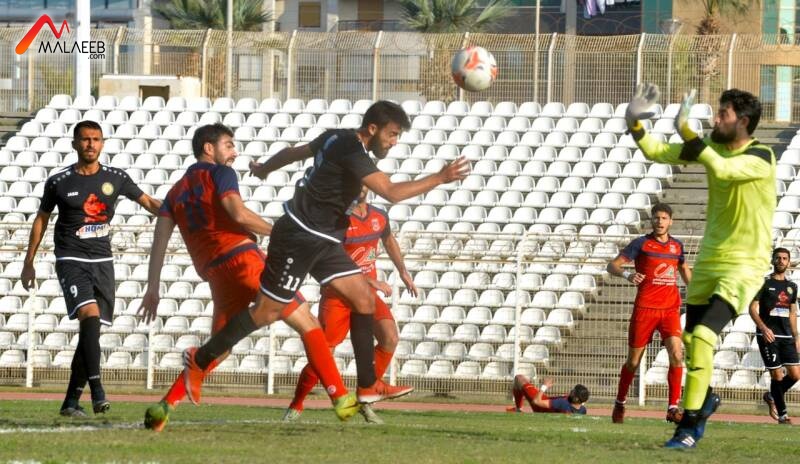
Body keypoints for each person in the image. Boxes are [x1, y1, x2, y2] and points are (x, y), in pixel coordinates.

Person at [180, 100, 469, 406]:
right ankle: (201, 358)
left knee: (364, 299)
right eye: (392, 134)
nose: (394, 142)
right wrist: (440, 177)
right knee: (266, 312)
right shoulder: (351, 150)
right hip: (299, 236)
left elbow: (293, 152)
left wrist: (264, 169)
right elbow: (391, 192)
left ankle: (367, 385)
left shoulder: (336, 136)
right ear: (373, 129)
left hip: (325, 240)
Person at [139, 124, 358, 432]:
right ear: (208, 148)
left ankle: (164, 406)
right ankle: (341, 396)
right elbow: (239, 214)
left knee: (221, 346)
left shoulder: (174, 193)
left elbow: (159, 240)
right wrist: (281, 231)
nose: (234, 152)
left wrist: (153, 288)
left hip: (216, 274)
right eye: (228, 145)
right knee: (307, 321)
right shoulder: (221, 174)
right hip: (244, 260)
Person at [625, 84, 775, 448]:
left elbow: (723, 171)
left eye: (723, 114)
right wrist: (634, 122)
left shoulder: (762, 156)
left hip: (744, 265)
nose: (716, 119)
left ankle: (688, 428)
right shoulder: (714, 147)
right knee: (691, 342)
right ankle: (705, 401)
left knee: (705, 336)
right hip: (708, 262)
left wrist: (687, 130)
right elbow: (656, 151)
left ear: (742, 122)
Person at [20, 120, 161, 417]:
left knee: (91, 332)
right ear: (75, 143)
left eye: (96, 139)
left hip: (103, 262)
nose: (90, 144)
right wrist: (28, 262)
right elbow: (42, 218)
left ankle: (71, 402)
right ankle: (97, 391)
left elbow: (150, 203)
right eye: (85, 139)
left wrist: (185, 212)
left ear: (102, 143)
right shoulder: (59, 181)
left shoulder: (116, 178)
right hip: (71, 259)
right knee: (89, 316)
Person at [283, 187, 417, 423]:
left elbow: (388, 240)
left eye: (364, 182)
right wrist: (371, 280)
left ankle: (366, 394)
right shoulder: (338, 221)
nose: (361, 187)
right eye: (356, 182)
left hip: (365, 295)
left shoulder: (379, 216)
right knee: (325, 352)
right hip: (338, 295)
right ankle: (297, 403)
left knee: (390, 337)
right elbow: (331, 261)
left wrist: (403, 271)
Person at [607, 203, 691, 424]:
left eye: (664, 218)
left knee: (677, 354)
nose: (660, 221)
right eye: (656, 217)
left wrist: (696, 292)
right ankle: (620, 402)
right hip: (645, 309)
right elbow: (612, 266)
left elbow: (683, 268)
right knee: (633, 362)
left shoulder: (677, 246)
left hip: (670, 309)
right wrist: (627, 275)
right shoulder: (641, 243)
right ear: (651, 220)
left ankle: (672, 407)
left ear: (671, 221)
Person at [750, 247, 800, 424]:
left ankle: (772, 395)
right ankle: (783, 415)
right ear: (772, 261)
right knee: (777, 376)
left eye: (785, 258)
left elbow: (792, 313)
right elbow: (752, 308)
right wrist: (763, 328)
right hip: (768, 336)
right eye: (778, 258)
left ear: (789, 262)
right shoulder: (763, 283)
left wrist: (796, 336)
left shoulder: (792, 287)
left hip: (786, 336)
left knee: (795, 375)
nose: (781, 261)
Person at [507, 375, 589, 415]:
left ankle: (518, 409)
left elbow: (536, 401)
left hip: (540, 405)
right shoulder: (582, 410)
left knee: (519, 379)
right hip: (547, 405)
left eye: (573, 392)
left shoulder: (562, 403)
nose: (571, 391)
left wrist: (544, 386)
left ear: (576, 399)